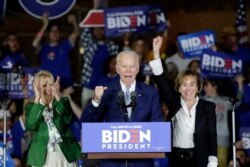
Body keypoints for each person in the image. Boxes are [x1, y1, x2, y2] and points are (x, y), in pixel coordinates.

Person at [80, 50, 163, 167]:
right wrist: (96, 101)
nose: (128, 70)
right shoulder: (105, 91)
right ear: (117, 68)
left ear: (138, 69)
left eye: (132, 66)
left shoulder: (150, 93)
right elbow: (86, 122)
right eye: (124, 66)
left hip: (141, 163)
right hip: (111, 162)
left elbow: (158, 127)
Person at [149, 36, 218, 167]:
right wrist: (156, 53)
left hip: (199, 159)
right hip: (176, 159)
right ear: (179, 88)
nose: (188, 89)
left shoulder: (208, 107)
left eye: (192, 84)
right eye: (184, 85)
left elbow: (212, 135)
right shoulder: (173, 102)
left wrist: (213, 160)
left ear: (198, 87)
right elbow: (161, 81)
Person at [24, 70, 81, 166]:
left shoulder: (62, 102)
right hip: (42, 154)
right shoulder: (31, 106)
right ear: (37, 88)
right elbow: (30, 125)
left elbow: (68, 119)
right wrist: (37, 98)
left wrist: (58, 96)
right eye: (44, 86)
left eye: (51, 84)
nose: (48, 89)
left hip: (63, 152)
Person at [32, 12, 79, 89]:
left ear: (60, 33)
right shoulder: (43, 47)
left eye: (57, 31)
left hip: (65, 83)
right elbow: (35, 43)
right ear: (48, 33)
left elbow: (76, 33)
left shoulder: (65, 45)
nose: (54, 33)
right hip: (47, 84)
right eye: (52, 31)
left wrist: (74, 22)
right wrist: (45, 25)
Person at [79, 22, 119, 109]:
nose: (99, 32)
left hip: (106, 87)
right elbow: (84, 33)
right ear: (92, 31)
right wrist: (94, 11)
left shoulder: (112, 46)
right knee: (86, 114)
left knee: (104, 115)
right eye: (96, 29)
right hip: (88, 85)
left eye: (101, 29)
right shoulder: (88, 44)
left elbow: (116, 64)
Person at [202, 79, 232, 167]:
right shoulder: (202, 100)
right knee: (206, 163)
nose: (206, 88)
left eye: (208, 85)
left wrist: (240, 85)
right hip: (206, 138)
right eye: (205, 86)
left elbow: (238, 101)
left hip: (223, 137)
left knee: (221, 163)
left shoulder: (225, 100)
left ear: (215, 86)